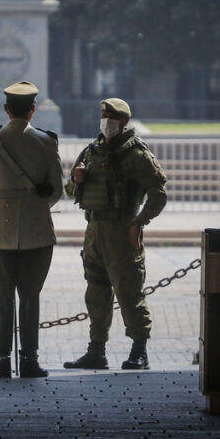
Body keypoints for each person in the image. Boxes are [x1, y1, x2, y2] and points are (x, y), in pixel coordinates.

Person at [63, 98, 167, 371]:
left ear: (123, 121)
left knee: (129, 292)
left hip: (122, 231)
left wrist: (139, 223)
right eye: (103, 115)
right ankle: (96, 351)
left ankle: (139, 351)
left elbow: (158, 194)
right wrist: (77, 180)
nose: (105, 120)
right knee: (96, 292)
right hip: (94, 230)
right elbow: (69, 189)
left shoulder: (136, 155)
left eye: (110, 116)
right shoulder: (91, 151)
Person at [0, 80, 63, 378]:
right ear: (33, 111)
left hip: (0, 228)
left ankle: (0, 360)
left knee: (2, 295)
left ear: (6, 109)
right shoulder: (47, 142)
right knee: (30, 295)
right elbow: (56, 191)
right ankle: (29, 360)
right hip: (37, 229)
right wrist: (33, 208)